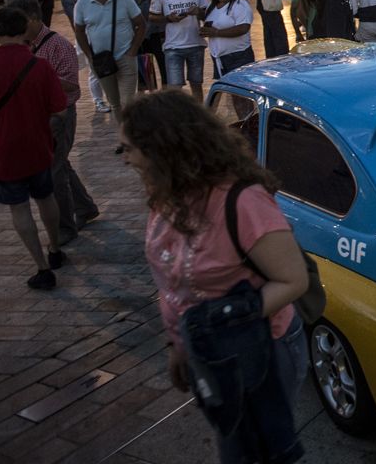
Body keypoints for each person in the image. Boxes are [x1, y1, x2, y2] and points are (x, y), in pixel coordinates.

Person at [122, 90, 309, 463]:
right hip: (211, 351)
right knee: (235, 439)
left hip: (262, 346)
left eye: (129, 149)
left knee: (256, 449)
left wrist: (225, 320)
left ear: (163, 148)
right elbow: (174, 283)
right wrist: (179, 343)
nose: (126, 159)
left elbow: (293, 280)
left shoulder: (242, 201)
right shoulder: (167, 193)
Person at [0, 7, 68, 289]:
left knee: (19, 209)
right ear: (24, 31)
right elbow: (59, 109)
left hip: (1, 153)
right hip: (37, 145)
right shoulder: (40, 67)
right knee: (46, 198)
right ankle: (55, 249)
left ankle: (42, 268)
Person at [8, 0, 99, 244]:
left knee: (54, 171)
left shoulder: (58, 45)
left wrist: (38, 75)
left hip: (60, 116)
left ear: (34, 18)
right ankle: (85, 207)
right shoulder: (21, 45)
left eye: (20, 21)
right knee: (60, 165)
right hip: (37, 117)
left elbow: (71, 87)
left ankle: (65, 227)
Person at [73, 0, 146, 123]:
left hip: (125, 56)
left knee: (128, 103)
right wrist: (90, 55)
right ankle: (123, 139)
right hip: (101, 61)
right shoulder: (82, 4)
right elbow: (79, 31)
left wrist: (133, 50)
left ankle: (131, 139)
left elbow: (141, 24)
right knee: (115, 104)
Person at [149, 0, 209, 100]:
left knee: (196, 85)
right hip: (173, 46)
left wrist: (198, 12)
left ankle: (198, 118)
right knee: (174, 90)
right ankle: (177, 120)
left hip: (195, 43)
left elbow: (207, 13)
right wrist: (168, 18)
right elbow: (151, 16)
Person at [201, 0, 255, 78]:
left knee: (240, 93)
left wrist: (216, 32)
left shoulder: (239, 4)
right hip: (219, 59)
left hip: (239, 57)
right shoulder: (211, 7)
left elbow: (243, 28)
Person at [132, 0, 166, 88]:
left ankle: (165, 89)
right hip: (140, 35)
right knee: (144, 67)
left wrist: (144, 32)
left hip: (155, 34)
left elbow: (153, 16)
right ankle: (148, 91)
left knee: (162, 64)